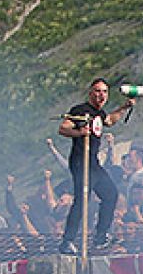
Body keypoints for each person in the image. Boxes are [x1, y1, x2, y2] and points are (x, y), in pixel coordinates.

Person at [57, 79, 135, 254]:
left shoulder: (99, 113)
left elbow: (109, 121)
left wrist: (124, 108)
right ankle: (67, 240)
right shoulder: (80, 110)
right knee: (82, 200)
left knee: (110, 194)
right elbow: (63, 128)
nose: (102, 95)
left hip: (92, 162)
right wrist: (79, 132)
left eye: (105, 92)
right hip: (80, 161)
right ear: (91, 92)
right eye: (98, 91)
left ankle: (101, 235)